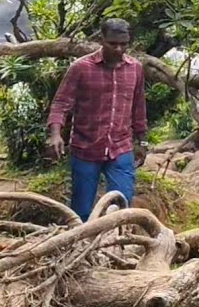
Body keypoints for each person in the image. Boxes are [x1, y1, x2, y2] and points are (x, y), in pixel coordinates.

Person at [45, 18, 148, 222]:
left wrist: (142, 141)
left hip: (121, 147)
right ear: (101, 40)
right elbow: (61, 103)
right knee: (81, 210)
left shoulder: (135, 68)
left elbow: (138, 107)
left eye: (124, 44)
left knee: (122, 204)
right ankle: (81, 248)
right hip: (86, 148)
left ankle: (117, 246)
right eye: (113, 44)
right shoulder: (81, 68)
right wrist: (55, 134)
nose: (119, 49)